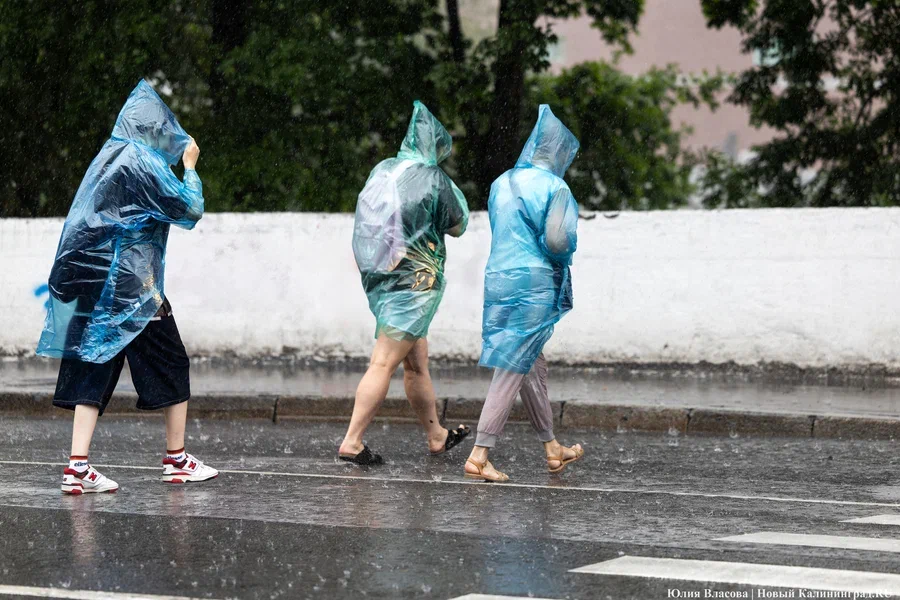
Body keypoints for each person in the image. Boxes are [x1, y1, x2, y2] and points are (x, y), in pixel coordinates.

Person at [36, 80, 217, 494]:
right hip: (130, 285)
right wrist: (189, 166)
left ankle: (77, 466)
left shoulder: (109, 156)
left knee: (94, 361)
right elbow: (189, 208)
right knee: (171, 361)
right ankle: (176, 459)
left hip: (90, 277)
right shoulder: (140, 161)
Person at [340, 100, 471, 465]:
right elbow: (458, 225)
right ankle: (352, 441)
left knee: (416, 365)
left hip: (383, 277)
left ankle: (436, 435)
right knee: (382, 363)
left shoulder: (384, 169)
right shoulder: (432, 176)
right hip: (416, 284)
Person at [464, 105, 585, 482]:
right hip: (533, 283)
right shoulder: (555, 187)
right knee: (513, 365)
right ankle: (479, 454)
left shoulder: (501, 181)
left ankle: (552, 448)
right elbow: (557, 239)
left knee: (531, 363)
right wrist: (566, 250)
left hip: (499, 277)